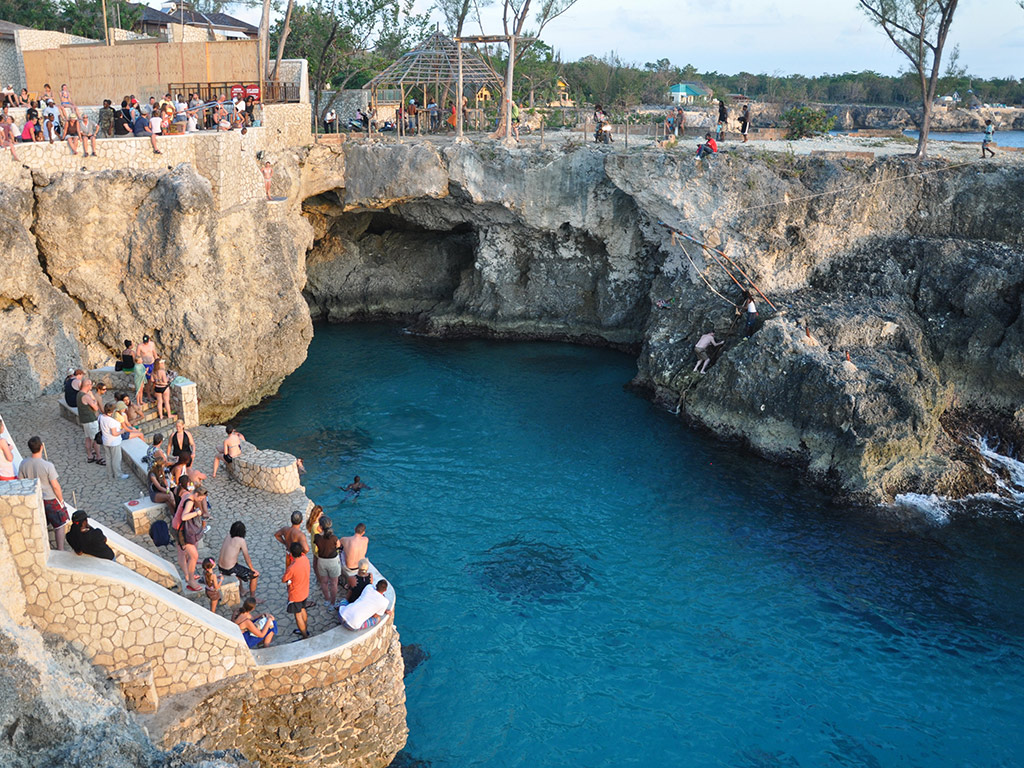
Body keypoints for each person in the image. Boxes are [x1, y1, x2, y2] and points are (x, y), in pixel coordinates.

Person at [18, 436, 68, 551]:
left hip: (34, 498)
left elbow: (21, 481)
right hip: (49, 498)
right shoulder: (48, 465)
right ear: (41, 447)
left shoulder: (23, 463)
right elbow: (55, 486)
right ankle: (60, 549)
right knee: (59, 525)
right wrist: (61, 500)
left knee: (41, 524)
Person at [172, 486, 206, 591]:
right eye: (200, 498)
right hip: (181, 531)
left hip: (175, 526)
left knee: (182, 554)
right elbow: (184, 517)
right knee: (194, 556)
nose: (200, 500)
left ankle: (187, 576)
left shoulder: (187, 494)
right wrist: (197, 513)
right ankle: (191, 580)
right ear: (196, 494)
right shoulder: (190, 501)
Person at [218, 521, 261, 599]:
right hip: (229, 569)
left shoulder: (228, 535)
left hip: (220, 567)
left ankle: (242, 590)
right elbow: (247, 558)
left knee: (238, 568)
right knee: (255, 576)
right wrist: (252, 569)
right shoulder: (241, 541)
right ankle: (253, 598)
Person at [282, 541, 311, 639]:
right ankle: (305, 629)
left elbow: (284, 579)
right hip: (305, 591)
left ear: (291, 553)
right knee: (303, 609)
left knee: (298, 615)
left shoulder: (292, 567)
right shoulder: (305, 559)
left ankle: (304, 635)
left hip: (296, 594)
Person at [314, 516, 341, 608]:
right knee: (334, 583)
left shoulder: (317, 537)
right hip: (333, 562)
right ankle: (333, 603)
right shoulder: (334, 538)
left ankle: (327, 599)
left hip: (322, 561)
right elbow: (338, 546)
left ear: (321, 526)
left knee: (324, 582)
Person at [98, 403, 131, 479]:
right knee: (116, 459)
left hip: (105, 440)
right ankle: (118, 475)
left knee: (108, 458)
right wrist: (122, 431)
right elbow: (114, 433)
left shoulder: (101, 417)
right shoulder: (111, 421)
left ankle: (110, 474)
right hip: (114, 442)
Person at [76, 378, 104, 465]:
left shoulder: (79, 394)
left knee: (87, 438)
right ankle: (99, 457)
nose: (92, 386)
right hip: (91, 420)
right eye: (91, 384)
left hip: (84, 420)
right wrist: (93, 398)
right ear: (88, 385)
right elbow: (96, 408)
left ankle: (90, 456)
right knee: (95, 440)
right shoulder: (86, 396)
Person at [339, 522, 368, 588]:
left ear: (355, 529)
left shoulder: (345, 539)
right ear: (363, 532)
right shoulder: (366, 539)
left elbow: (338, 544)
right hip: (360, 567)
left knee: (342, 551)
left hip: (349, 567)